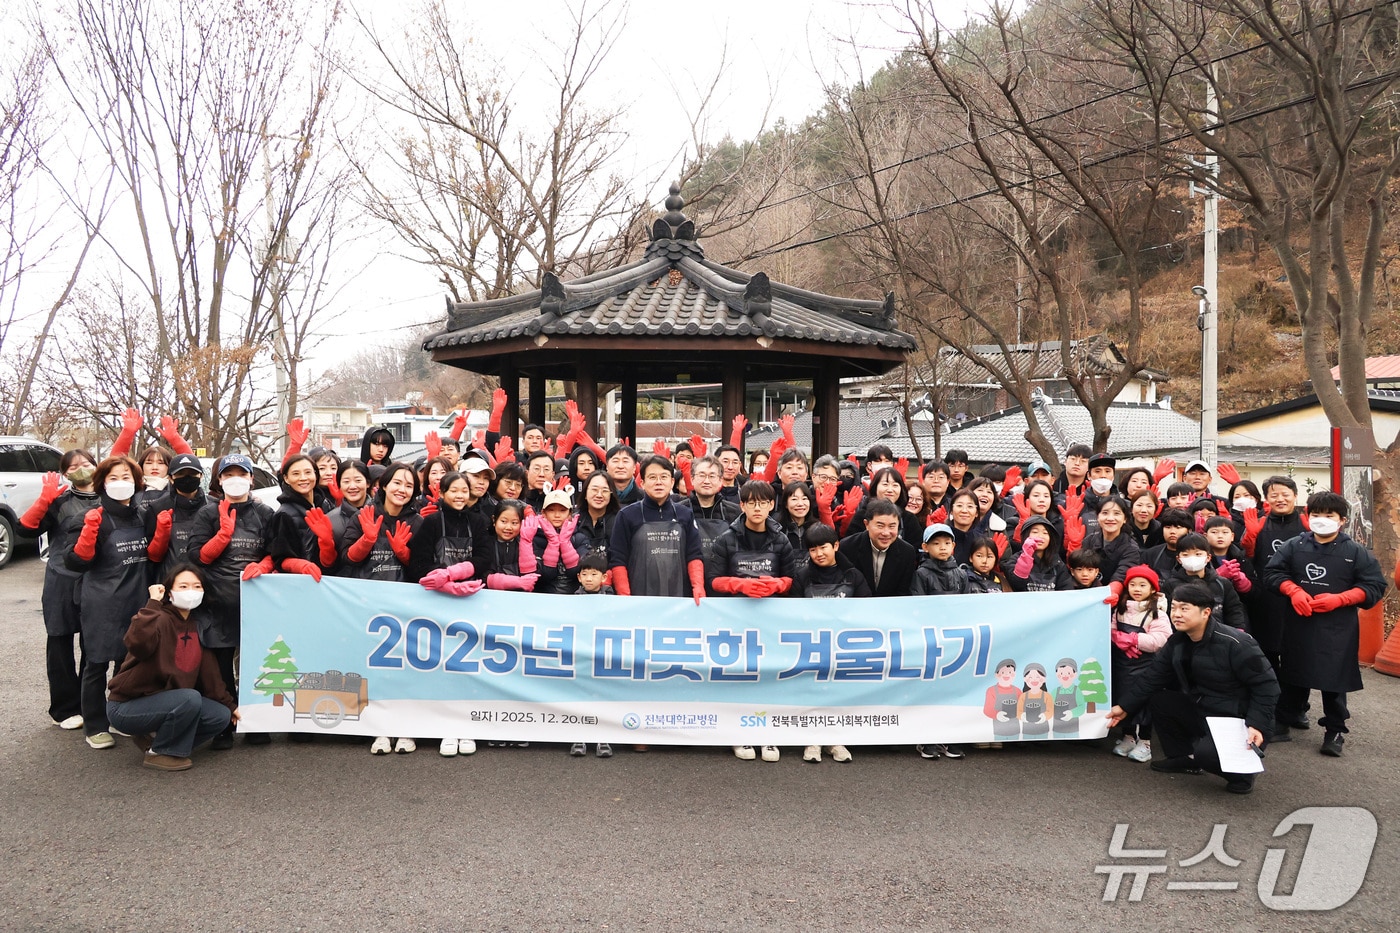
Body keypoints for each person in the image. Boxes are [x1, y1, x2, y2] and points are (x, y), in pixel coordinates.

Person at [1106, 581, 1279, 794]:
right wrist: (1124, 707)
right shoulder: (1177, 641)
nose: (1176, 614)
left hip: (1240, 718)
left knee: (1206, 755)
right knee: (1160, 700)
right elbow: (1152, 678)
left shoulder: (1236, 643)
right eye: (1174, 607)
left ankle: (1241, 773)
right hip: (1204, 709)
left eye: (1184, 608)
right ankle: (1184, 758)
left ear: (1206, 612)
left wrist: (1256, 724)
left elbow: (1268, 686)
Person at [1264, 490, 1388, 756]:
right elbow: (1273, 572)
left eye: (1329, 515)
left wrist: (1343, 598)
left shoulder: (1355, 551)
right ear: (1307, 517)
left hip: (1337, 628)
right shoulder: (1295, 545)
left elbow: (1375, 585)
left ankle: (1335, 730)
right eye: (1316, 514)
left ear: (1341, 520)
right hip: (1299, 623)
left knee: (1334, 679)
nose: (1322, 519)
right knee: (1293, 672)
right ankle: (1287, 719)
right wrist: (1292, 590)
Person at [104, 565, 238, 771]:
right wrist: (152, 604)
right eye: (183, 586)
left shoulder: (197, 626)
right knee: (190, 698)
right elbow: (137, 643)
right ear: (169, 592)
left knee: (219, 716)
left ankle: (157, 743)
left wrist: (231, 707)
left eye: (196, 586)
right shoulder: (158, 618)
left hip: (169, 703)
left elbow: (212, 678)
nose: (190, 591)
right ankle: (161, 752)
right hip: (127, 707)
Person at [186, 453, 275, 748]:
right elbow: (196, 556)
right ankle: (224, 721)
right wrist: (222, 537)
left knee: (253, 665)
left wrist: (264, 565)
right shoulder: (207, 514)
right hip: (217, 600)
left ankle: (255, 721)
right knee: (221, 668)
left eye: (242, 473)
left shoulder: (265, 514)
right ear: (219, 480)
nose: (235, 479)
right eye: (228, 474)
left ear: (251, 478)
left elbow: (278, 551)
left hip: (256, 601)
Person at [63, 455, 150, 750]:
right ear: (102, 483)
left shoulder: (141, 515)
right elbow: (73, 562)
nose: (120, 483)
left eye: (126, 477)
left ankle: (119, 716)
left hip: (136, 599)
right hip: (102, 603)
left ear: (137, 483)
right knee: (96, 663)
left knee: (126, 663)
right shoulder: (91, 517)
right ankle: (95, 724)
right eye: (113, 478)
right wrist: (87, 535)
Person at [15, 448, 100, 729]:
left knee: (94, 644)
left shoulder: (110, 495)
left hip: (97, 578)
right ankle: (65, 708)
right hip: (61, 577)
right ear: (65, 474)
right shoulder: (58, 500)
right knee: (60, 640)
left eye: (86, 463)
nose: (81, 468)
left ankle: (93, 704)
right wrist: (44, 500)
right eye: (73, 466)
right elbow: (26, 530)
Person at [608, 455, 706, 602]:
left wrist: (698, 587)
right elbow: (618, 559)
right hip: (638, 599)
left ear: (672, 481)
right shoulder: (627, 515)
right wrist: (625, 596)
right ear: (642, 482)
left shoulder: (685, 514)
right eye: (652, 477)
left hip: (680, 599)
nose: (658, 482)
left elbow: (694, 555)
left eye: (664, 477)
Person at [1110, 565, 1171, 763]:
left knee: (1144, 703)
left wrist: (1134, 640)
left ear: (1153, 589)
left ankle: (1145, 741)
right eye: (1133, 585)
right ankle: (1128, 736)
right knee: (1123, 698)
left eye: (1142, 585)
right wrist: (1118, 638)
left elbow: (1160, 639)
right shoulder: (1120, 608)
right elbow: (1110, 629)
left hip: (1145, 665)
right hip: (1122, 664)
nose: (1137, 589)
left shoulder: (1158, 613)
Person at [1161, 532, 1248, 630]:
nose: (1192, 558)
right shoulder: (1170, 585)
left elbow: (1234, 610)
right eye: (1186, 555)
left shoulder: (1221, 583)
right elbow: (1165, 614)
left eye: (1198, 554)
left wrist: (1238, 631)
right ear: (1179, 559)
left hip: (1219, 637)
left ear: (1208, 557)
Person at [144, 453, 209, 584]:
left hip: (207, 581)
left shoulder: (213, 506)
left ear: (201, 476)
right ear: (171, 479)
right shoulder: (157, 508)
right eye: (181, 474)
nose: (187, 478)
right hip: (170, 581)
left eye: (192, 473)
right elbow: (152, 556)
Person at [840, 498, 919, 597]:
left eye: (892, 526)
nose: (886, 533)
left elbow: (903, 592)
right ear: (867, 524)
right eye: (880, 526)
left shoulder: (907, 552)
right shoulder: (847, 547)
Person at [688, 454, 742, 562]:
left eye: (712, 476)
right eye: (702, 475)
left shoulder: (734, 512)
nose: (707, 481)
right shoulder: (681, 510)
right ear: (692, 479)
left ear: (720, 481)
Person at [793, 522, 871, 598]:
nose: (819, 554)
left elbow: (864, 605)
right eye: (813, 550)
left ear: (836, 546)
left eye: (823, 548)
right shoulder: (801, 577)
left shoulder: (853, 575)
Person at [1003, 516, 1074, 592]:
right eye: (1035, 532)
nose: (1040, 536)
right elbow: (1016, 584)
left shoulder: (1057, 563)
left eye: (1045, 533)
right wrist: (1026, 557)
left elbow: (1066, 590)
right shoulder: (1015, 560)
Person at [911, 523, 971, 595]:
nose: (943, 547)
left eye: (947, 543)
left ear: (953, 545)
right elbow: (918, 601)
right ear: (925, 547)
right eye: (936, 543)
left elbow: (966, 601)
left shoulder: (961, 574)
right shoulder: (921, 574)